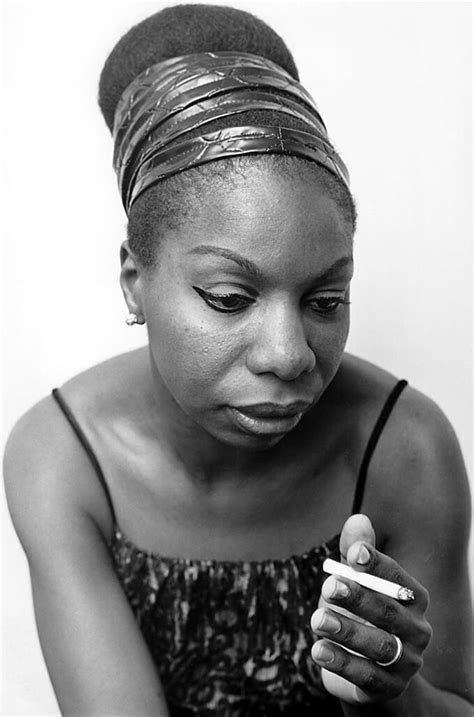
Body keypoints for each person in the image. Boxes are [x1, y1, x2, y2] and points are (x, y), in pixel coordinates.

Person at [3, 4, 472, 716]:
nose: (289, 356)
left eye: (325, 300)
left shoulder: (403, 449)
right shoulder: (65, 458)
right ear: (134, 279)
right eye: (229, 298)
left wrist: (393, 699)